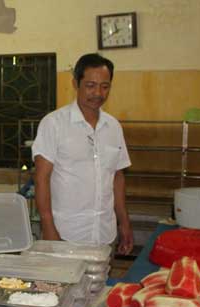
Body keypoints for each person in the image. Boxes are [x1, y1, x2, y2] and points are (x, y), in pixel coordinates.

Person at [32, 53, 134, 254]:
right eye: (90, 85)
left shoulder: (113, 127)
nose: (98, 93)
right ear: (75, 83)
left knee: (101, 284)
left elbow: (117, 177)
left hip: (105, 234)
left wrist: (124, 223)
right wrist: (48, 227)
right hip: (66, 235)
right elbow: (41, 178)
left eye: (105, 86)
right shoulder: (53, 124)